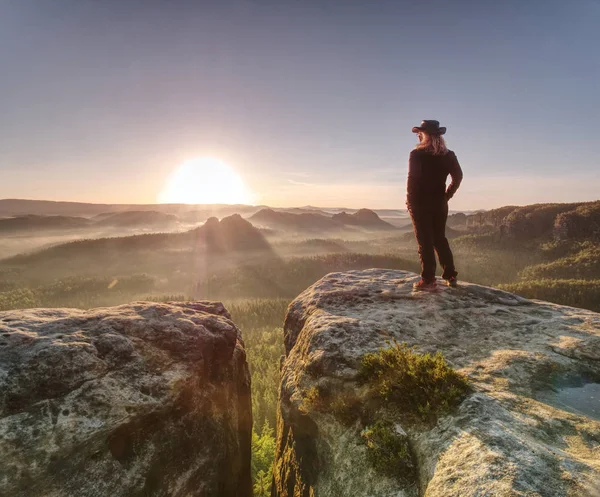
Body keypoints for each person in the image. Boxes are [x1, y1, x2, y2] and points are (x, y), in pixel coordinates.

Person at [406, 120, 463, 290]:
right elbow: (458, 177)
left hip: (420, 204)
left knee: (425, 241)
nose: (418, 135)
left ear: (426, 135)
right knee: (440, 239)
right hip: (440, 203)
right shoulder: (449, 155)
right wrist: (446, 196)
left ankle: (429, 280)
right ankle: (450, 275)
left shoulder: (417, 154)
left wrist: (410, 202)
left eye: (420, 133)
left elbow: (412, 180)